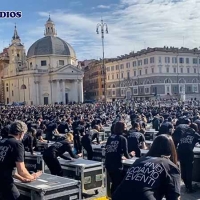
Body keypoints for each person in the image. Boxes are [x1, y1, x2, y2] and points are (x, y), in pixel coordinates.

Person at [112, 134, 181, 200]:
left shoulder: (139, 161)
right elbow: (174, 196)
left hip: (118, 196)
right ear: (171, 149)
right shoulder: (170, 166)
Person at [0, 120, 42, 200]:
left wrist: (22, 179)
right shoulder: (17, 144)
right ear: (22, 133)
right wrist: (32, 177)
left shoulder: (2, 142)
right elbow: (21, 170)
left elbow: (5, 166)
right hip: (4, 181)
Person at [105, 121, 135, 195]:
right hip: (117, 165)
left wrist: (121, 156)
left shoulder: (110, 137)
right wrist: (131, 154)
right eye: (125, 126)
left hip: (108, 163)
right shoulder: (122, 139)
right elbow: (126, 154)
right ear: (122, 128)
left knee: (114, 183)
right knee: (117, 184)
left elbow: (109, 149)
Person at [177, 119, 200, 193]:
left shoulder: (183, 133)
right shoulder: (195, 134)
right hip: (189, 154)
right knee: (189, 171)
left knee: (183, 169)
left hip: (180, 153)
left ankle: (186, 184)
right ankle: (189, 188)